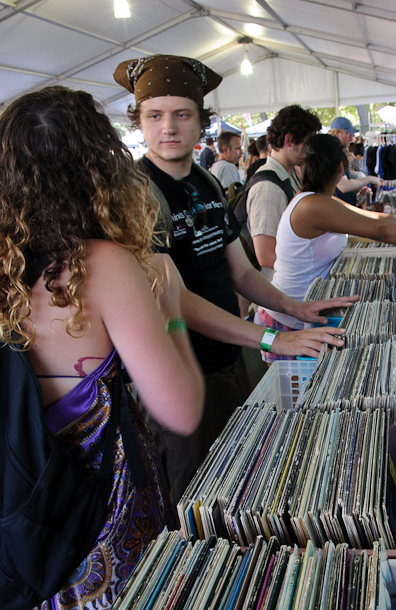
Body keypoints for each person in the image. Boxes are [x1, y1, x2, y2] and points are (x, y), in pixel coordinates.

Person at [0, 86, 205, 610]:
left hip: (34, 529)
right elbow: (182, 410)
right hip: (104, 535)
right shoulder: (101, 266)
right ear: (101, 163)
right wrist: (170, 316)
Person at [114, 55, 354, 504]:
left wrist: (294, 308)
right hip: (177, 375)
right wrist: (270, 340)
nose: (168, 127)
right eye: (154, 116)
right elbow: (174, 299)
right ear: (140, 121)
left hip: (227, 358)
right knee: (194, 501)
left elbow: (240, 270)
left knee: (236, 482)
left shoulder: (203, 181)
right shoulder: (134, 195)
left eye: (181, 115)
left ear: (201, 121)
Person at [255, 133, 396, 359]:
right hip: (288, 321)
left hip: (304, 309)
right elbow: (380, 231)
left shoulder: (318, 201)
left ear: (301, 168)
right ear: (340, 168)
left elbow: (379, 219)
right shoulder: (312, 206)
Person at [247, 105, 322, 276]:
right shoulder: (268, 188)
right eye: (307, 144)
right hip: (281, 290)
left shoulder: (288, 176)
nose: (310, 152)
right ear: (289, 141)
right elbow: (266, 255)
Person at [329, 116, 382, 205]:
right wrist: (369, 179)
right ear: (337, 133)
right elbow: (343, 186)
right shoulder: (333, 154)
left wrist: (358, 194)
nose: (352, 137)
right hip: (341, 209)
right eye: (348, 133)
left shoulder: (337, 153)